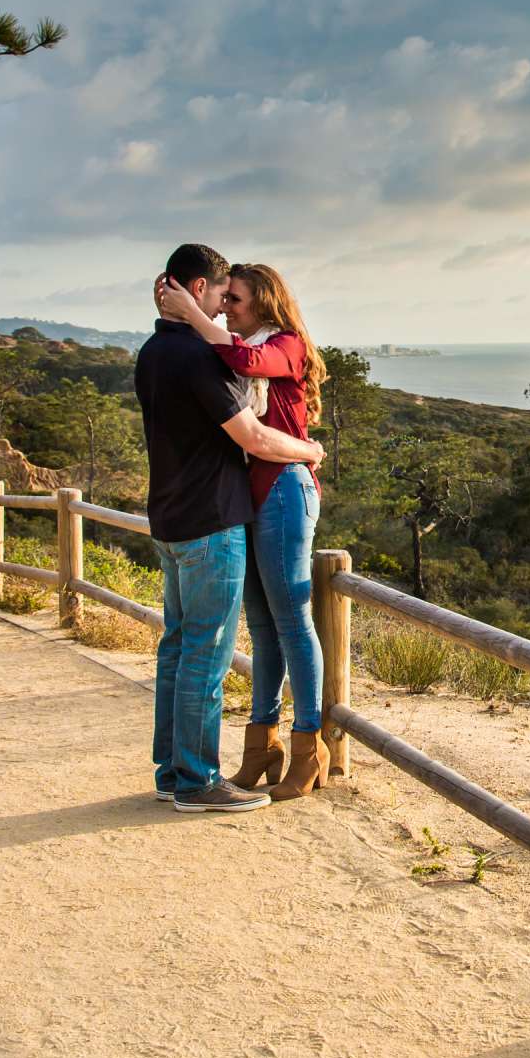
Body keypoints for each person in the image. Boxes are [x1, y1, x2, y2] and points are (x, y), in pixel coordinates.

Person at [134, 243, 324, 813]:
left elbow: (247, 365)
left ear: (262, 301)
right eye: (221, 295)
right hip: (222, 509)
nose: (224, 308)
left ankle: (302, 746)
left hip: (267, 494)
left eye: (234, 299)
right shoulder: (200, 353)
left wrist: (186, 312)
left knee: (281, 620)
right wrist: (312, 447)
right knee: (234, 637)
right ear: (199, 289)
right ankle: (214, 767)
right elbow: (253, 435)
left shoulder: (264, 346)